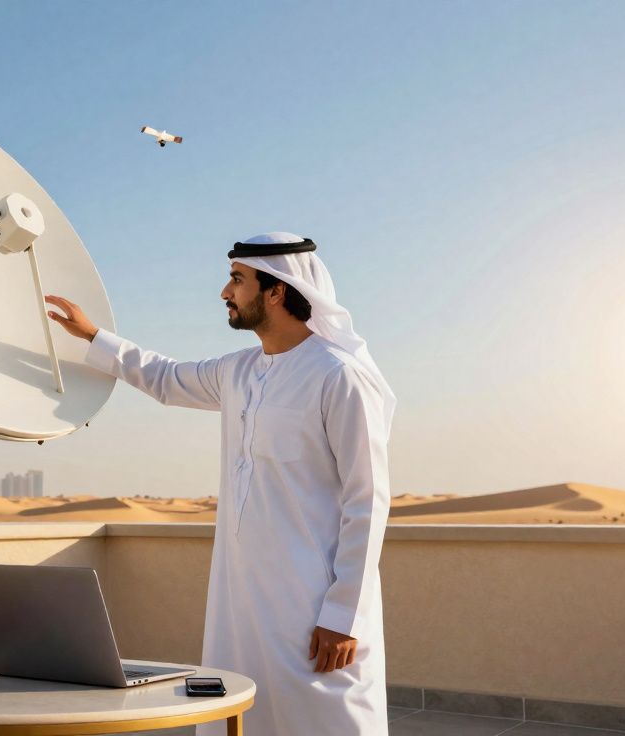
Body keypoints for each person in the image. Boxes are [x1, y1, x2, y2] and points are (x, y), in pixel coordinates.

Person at [45, 232, 396, 735]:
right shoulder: (239, 371)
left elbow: (368, 500)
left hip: (312, 598)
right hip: (241, 597)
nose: (224, 292)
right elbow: (165, 377)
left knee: (327, 718)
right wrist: (94, 336)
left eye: (237, 280)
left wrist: (345, 614)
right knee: (243, 710)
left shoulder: (338, 376)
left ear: (276, 291)